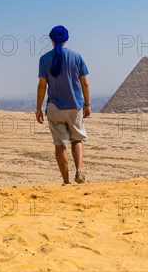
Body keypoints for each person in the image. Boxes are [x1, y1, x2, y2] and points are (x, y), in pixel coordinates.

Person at [36, 25, 90, 184]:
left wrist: (38, 108)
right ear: (66, 39)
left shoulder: (44, 59)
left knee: (60, 146)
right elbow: (85, 83)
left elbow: (42, 86)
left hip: (55, 108)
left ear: (51, 40)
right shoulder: (77, 56)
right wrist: (87, 104)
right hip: (75, 106)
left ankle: (66, 181)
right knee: (77, 140)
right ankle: (79, 172)